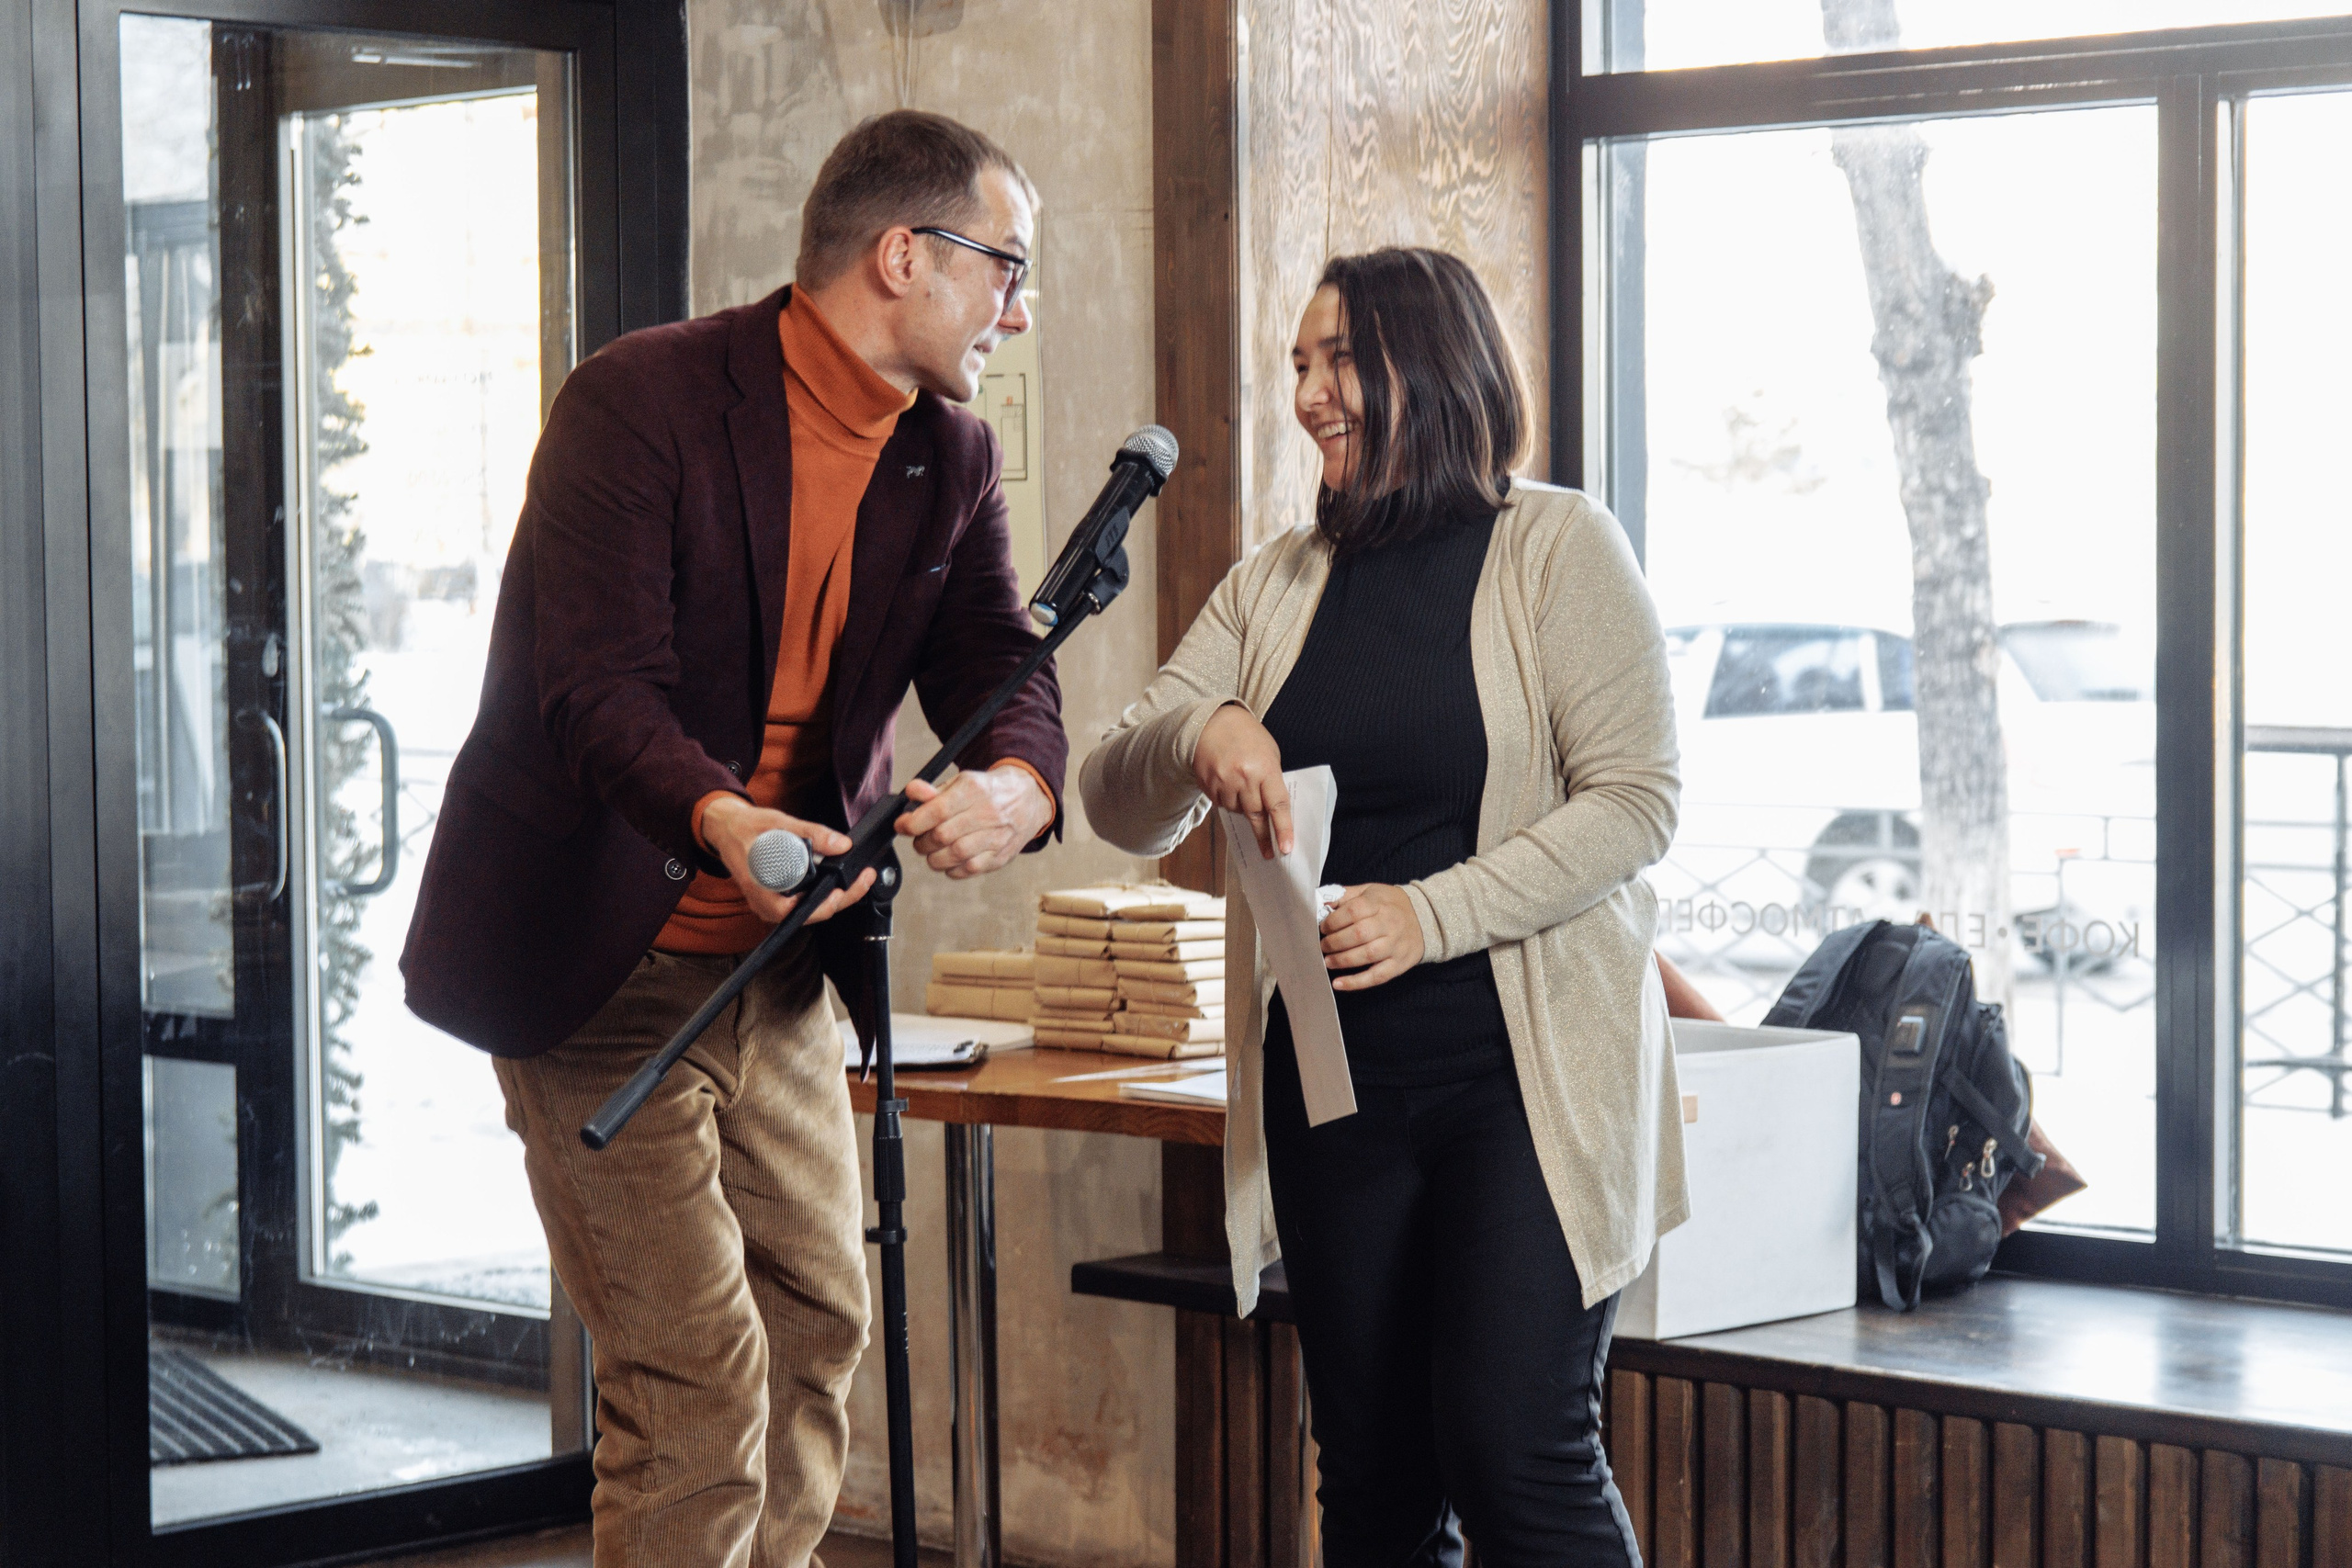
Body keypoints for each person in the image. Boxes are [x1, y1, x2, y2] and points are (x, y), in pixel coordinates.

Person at [400, 110, 1064, 1567]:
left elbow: (999, 666)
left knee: (819, 1325)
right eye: (1006, 268)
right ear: (906, 254)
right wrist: (729, 823)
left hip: (778, 974)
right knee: (693, 1389)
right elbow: (595, 689)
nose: (1018, 311)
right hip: (595, 962)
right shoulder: (639, 400)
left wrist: (1021, 783)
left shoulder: (947, 455)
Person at [1080, 247, 1688, 1567]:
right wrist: (1201, 728)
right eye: (1299, 363)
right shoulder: (1276, 584)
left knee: (1517, 1451)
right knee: (1369, 1480)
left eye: (1339, 357)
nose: (1309, 393)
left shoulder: (1560, 548)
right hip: (1335, 1090)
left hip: (1521, 1084)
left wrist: (1433, 914)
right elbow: (1114, 794)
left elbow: (1638, 802)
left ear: (1437, 362)